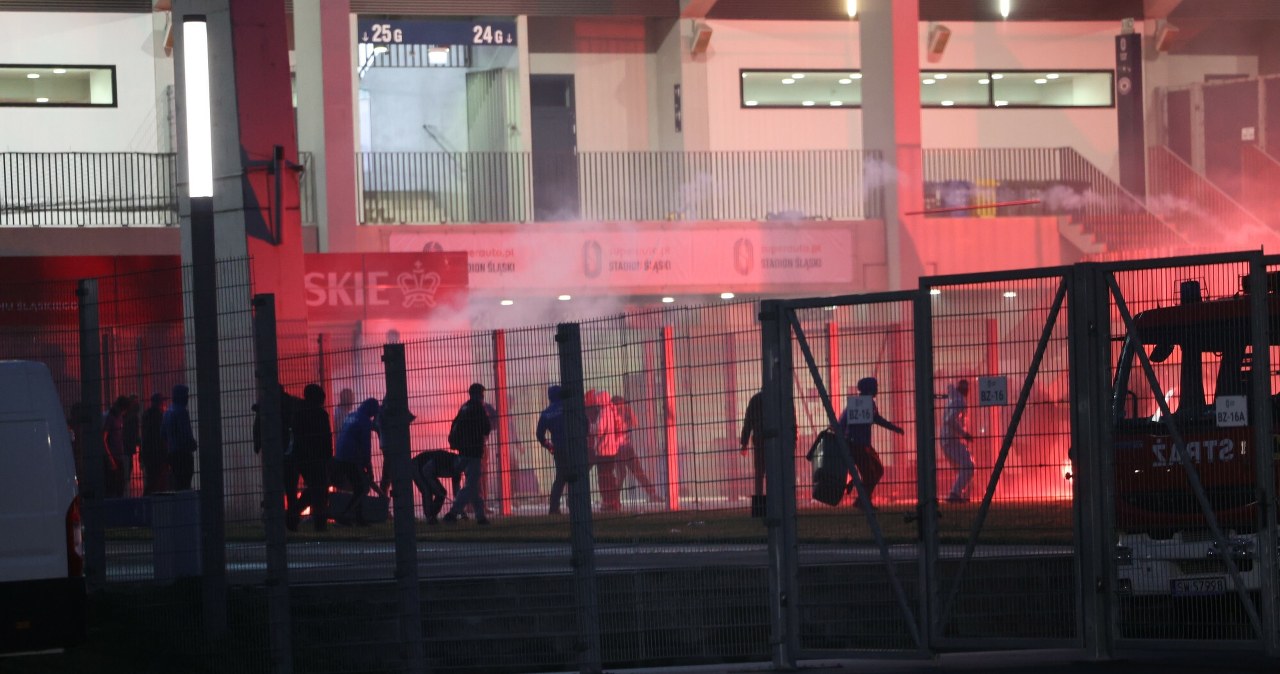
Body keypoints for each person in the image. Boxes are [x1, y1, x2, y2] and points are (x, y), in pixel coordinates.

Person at [836, 377, 904, 510]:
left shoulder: (867, 404)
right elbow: (843, 424)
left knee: (877, 470)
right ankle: (863, 501)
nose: (877, 389)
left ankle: (861, 498)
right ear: (869, 388)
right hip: (857, 445)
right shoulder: (861, 404)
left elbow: (875, 418)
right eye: (875, 386)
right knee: (870, 474)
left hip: (863, 445)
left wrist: (894, 428)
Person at [442, 383, 492, 525]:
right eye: (482, 394)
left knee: (474, 485)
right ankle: (453, 513)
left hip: (463, 451)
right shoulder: (478, 408)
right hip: (474, 451)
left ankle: (480, 516)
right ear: (479, 395)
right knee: (471, 485)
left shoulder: (464, 407)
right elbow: (486, 428)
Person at [289, 384, 332, 532]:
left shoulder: (298, 412)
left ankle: (292, 516)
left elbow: (297, 435)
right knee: (319, 491)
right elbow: (326, 438)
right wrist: (328, 457)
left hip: (302, 457)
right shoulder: (320, 414)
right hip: (317, 458)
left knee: (314, 489)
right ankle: (319, 524)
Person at [333, 398, 381, 526]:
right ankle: (344, 516)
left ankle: (359, 518)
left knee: (358, 487)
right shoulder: (364, 422)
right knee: (361, 489)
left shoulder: (351, 416)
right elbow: (366, 448)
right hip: (351, 458)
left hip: (340, 456)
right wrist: (369, 468)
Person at [612, 395, 659, 503]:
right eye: (620, 405)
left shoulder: (625, 413)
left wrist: (627, 410)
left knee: (636, 471)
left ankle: (651, 493)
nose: (622, 407)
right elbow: (620, 428)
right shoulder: (612, 415)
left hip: (626, 447)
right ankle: (613, 498)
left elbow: (634, 423)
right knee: (622, 473)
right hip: (618, 448)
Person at [536, 385, 571, 515]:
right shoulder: (570, 407)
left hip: (559, 448)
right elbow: (584, 422)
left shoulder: (546, 413)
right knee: (576, 475)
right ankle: (576, 505)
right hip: (573, 446)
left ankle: (554, 508)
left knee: (560, 478)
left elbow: (540, 435)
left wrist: (549, 446)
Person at [940, 378, 976, 504]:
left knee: (966, 466)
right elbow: (950, 420)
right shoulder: (960, 402)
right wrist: (964, 434)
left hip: (948, 440)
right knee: (968, 466)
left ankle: (963, 495)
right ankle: (955, 494)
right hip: (951, 440)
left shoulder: (954, 400)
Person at [585, 389, 622, 512]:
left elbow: (599, 429)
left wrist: (590, 426)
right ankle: (613, 501)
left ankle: (608, 502)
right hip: (611, 450)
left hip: (603, 450)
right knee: (609, 476)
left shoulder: (604, 412)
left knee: (603, 477)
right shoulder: (611, 410)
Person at [410, 449, 464, 524]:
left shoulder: (457, 469)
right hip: (417, 466)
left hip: (426, 470)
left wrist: (461, 510)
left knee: (441, 492)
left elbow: (456, 491)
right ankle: (430, 517)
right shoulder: (445, 459)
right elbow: (426, 470)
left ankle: (432, 516)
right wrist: (434, 485)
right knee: (427, 491)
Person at [161, 384, 198, 490]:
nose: (187, 398)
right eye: (186, 395)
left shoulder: (167, 412)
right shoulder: (181, 412)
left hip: (172, 454)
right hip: (183, 455)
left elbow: (162, 434)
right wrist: (192, 444)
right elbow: (185, 433)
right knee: (185, 484)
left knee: (176, 484)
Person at [140, 393, 168, 495]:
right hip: (158, 452)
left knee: (151, 478)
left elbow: (143, 434)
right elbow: (162, 435)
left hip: (148, 451)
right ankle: (149, 500)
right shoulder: (160, 415)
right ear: (159, 402)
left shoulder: (146, 414)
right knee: (156, 480)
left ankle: (147, 500)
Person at [102, 396, 128, 497]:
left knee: (120, 487)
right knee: (114, 488)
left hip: (118, 456)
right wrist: (110, 459)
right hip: (113, 458)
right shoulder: (111, 418)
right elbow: (103, 438)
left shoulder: (118, 417)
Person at [122, 395, 141, 496]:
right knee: (128, 466)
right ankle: (125, 487)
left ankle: (126, 487)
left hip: (127, 445)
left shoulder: (129, 416)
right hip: (127, 445)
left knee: (129, 466)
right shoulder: (131, 417)